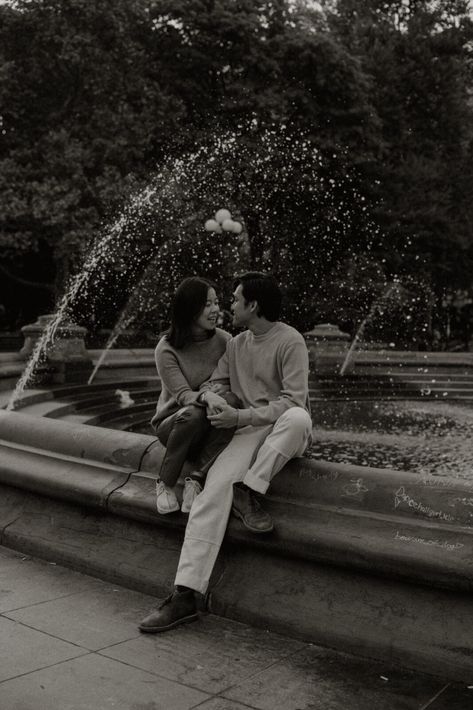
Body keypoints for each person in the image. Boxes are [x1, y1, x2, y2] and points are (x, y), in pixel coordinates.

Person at [140, 271, 312, 633]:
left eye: (234, 299)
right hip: (247, 429)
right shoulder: (236, 345)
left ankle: (249, 490)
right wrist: (213, 397)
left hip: (282, 430)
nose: (228, 306)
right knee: (208, 496)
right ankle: (185, 594)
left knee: (297, 418)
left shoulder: (291, 341)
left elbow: (293, 401)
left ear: (253, 305)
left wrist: (241, 415)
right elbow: (216, 380)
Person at [151, 276, 238, 515]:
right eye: (207, 304)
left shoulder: (225, 340)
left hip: (210, 422)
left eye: (216, 302)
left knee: (232, 403)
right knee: (193, 413)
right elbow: (183, 395)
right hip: (174, 424)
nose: (215, 310)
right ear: (190, 308)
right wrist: (207, 395)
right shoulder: (166, 348)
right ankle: (165, 483)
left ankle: (196, 481)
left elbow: (230, 382)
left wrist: (215, 393)